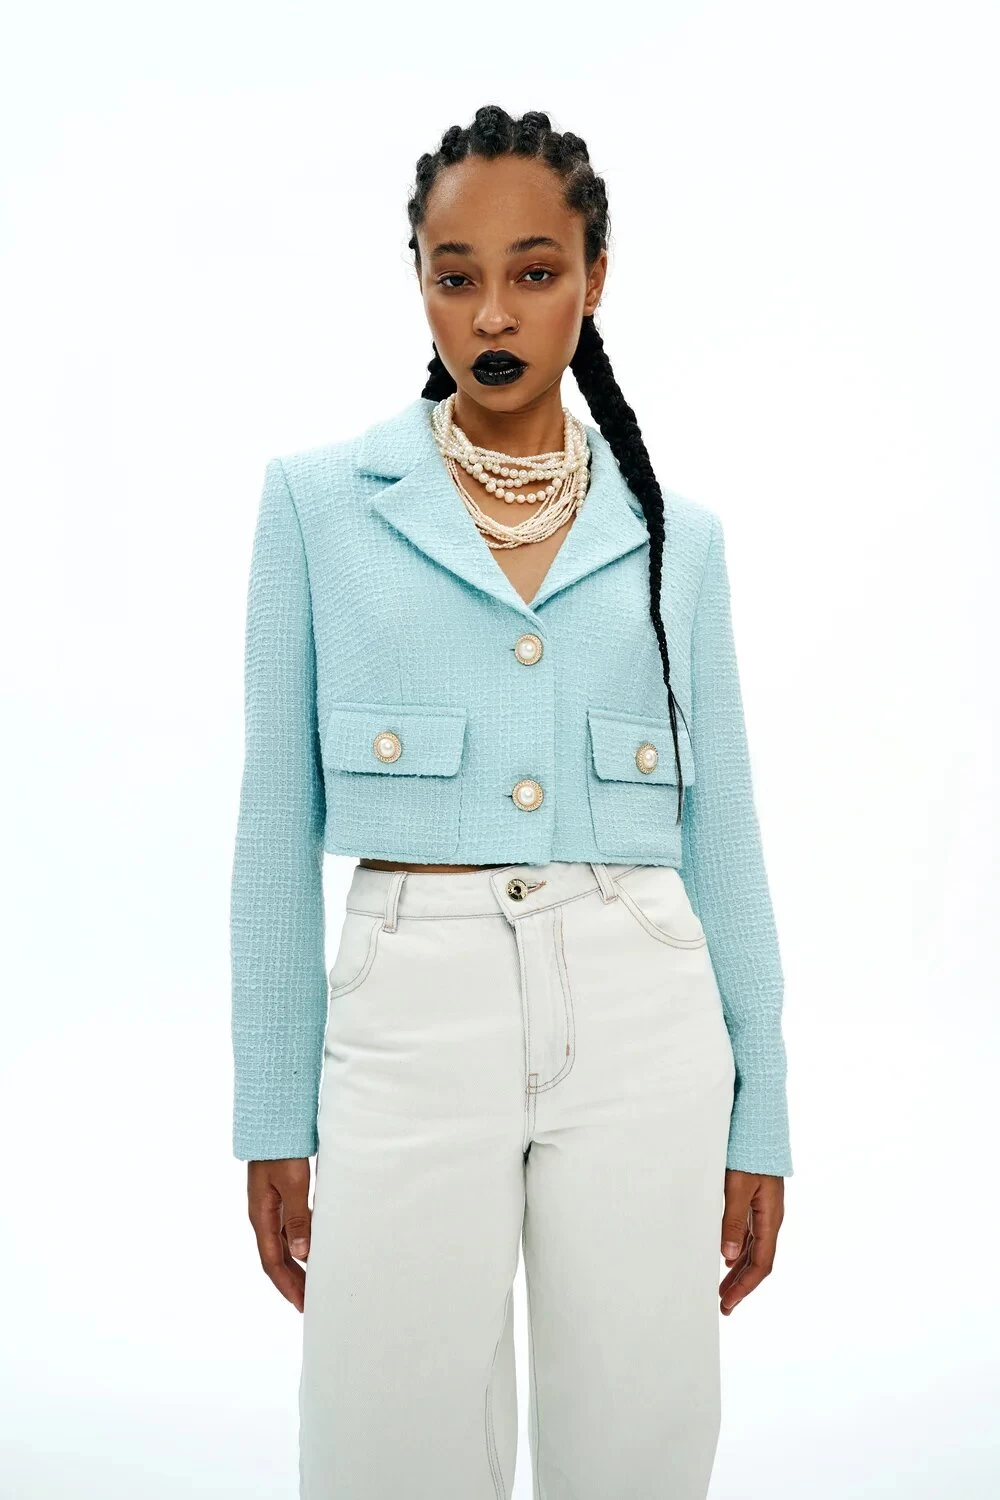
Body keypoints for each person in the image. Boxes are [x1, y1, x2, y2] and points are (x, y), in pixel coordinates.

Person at [230, 104, 792, 1500]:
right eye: (456, 274)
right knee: (381, 1438)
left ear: (594, 278)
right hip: (407, 1009)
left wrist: (762, 1109)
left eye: (535, 272)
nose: (492, 313)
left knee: (641, 1433)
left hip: (643, 1000)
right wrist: (271, 1110)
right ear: (419, 282)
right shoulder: (318, 506)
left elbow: (724, 835)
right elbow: (271, 832)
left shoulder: (677, 540)